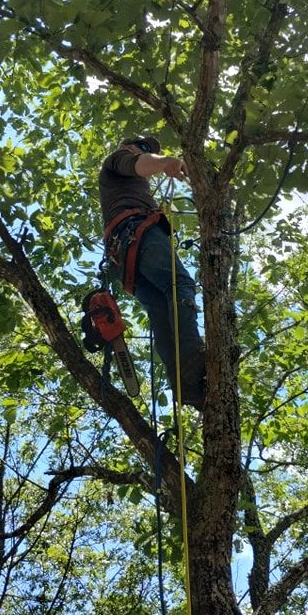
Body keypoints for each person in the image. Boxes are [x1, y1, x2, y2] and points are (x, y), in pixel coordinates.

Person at [99, 136, 205, 410]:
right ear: (129, 148)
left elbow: (142, 164)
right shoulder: (117, 160)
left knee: (161, 309)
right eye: (143, 147)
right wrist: (166, 162)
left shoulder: (129, 189)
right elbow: (139, 164)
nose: (146, 152)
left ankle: (186, 385)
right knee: (179, 284)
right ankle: (192, 358)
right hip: (136, 234)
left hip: (124, 257)